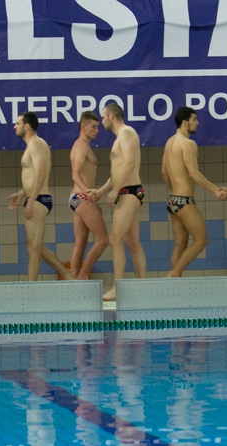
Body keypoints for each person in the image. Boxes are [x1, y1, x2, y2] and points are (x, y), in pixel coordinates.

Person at [161, 107, 227, 277]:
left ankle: (174, 284)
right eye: (194, 119)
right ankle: (174, 273)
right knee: (201, 240)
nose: (197, 123)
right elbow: (193, 173)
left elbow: (164, 172)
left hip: (173, 201)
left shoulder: (170, 142)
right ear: (185, 122)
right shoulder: (188, 144)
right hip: (184, 201)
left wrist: (175, 190)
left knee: (180, 244)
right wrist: (215, 189)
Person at [6, 111, 71, 282]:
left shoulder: (35, 144)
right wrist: (22, 194)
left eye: (18, 123)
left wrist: (31, 201)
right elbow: (33, 175)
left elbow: (41, 174)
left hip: (38, 199)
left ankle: (31, 288)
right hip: (35, 198)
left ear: (27, 126)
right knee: (36, 247)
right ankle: (68, 276)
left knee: (33, 248)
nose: (15, 126)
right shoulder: (33, 145)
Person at [91, 103, 146, 300]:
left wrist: (115, 191)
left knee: (115, 239)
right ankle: (141, 286)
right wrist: (101, 191)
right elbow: (117, 172)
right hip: (126, 190)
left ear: (112, 116)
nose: (102, 121)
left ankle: (117, 288)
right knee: (133, 243)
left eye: (103, 117)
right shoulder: (120, 137)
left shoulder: (126, 133)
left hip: (130, 192)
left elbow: (130, 163)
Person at [68, 111, 108, 280]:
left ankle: (74, 281)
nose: (97, 130)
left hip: (77, 198)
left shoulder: (84, 145)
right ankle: (81, 277)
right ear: (83, 127)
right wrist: (87, 192)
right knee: (103, 240)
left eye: (98, 127)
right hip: (81, 197)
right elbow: (75, 174)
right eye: (94, 127)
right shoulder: (81, 146)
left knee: (81, 243)